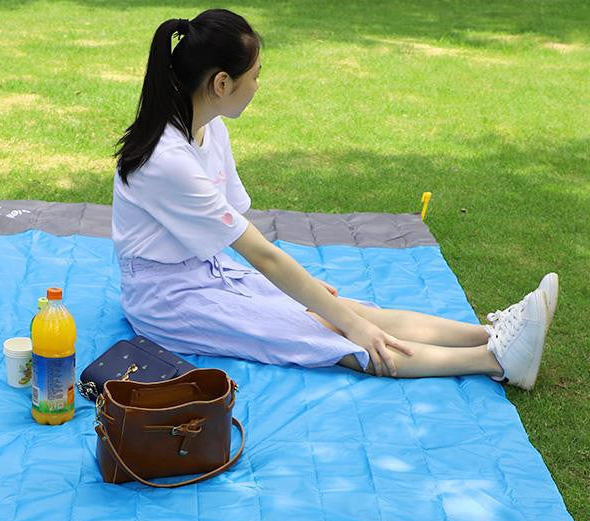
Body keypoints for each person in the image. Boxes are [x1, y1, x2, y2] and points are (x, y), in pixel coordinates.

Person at [111, 9, 558, 390]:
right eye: (256, 75)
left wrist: (317, 299)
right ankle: (498, 360)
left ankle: (490, 333)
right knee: (333, 335)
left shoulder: (210, 127)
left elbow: (240, 235)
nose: (259, 85)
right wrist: (343, 321)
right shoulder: (167, 160)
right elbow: (262, 256)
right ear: (223, 83)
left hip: (208, 268)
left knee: (348, 312)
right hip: (169, 297)